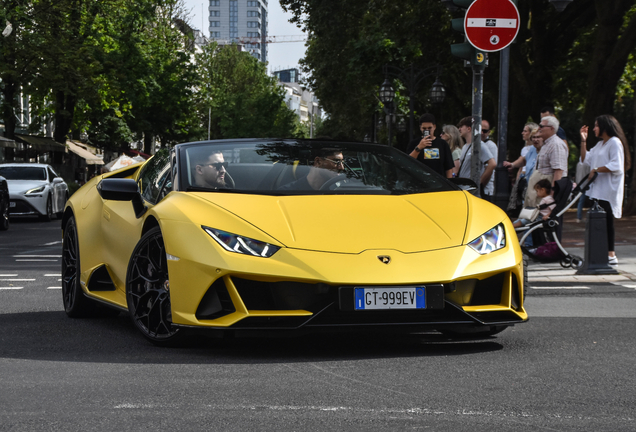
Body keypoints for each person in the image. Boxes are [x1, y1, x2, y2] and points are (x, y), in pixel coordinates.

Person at [580, 115, 632, 266]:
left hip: (608, 191)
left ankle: (611, 254)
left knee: (607, 222)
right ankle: (601, 252)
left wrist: (596, 170)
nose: (594, 128)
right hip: (598, 190)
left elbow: (616, 165)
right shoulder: (600, 145)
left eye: (596, 126)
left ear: (604, 126)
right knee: (598, 223)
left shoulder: (614, 143)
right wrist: (583, 140)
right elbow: (585, 159)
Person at [526, 115, 568, 207]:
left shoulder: (556, 145)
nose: (539, 128)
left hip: (546, 192)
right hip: (541, 190)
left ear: (551, 128)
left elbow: (558, 171)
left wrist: (552, 195)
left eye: (541, 126)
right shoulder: (546, 143)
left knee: (544, 218)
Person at [456, 116, 496, 195]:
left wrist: (479, 183)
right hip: (465, 190)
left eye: (461, 126)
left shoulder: (479, 144)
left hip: (473, 191)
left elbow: (492, 164)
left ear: (469, 128)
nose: (459, 129)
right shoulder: (465, 146)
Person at [406, 113, 454, 178]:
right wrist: (418, 148)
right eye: (424, 128)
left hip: (439, 182)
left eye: (429, 128)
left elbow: (448, 167)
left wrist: (449, 182)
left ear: (434, 127)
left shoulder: (442, 144)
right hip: (420, 182)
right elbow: (408, 163)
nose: (427, 130)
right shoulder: (414, 143)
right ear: (420, 128)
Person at [504, 123, 539, 213]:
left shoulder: (544, 149)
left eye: (537, 137)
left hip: (536, 183)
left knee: (533, 205)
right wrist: (512, 165)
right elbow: (523, 160)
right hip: (526, 180)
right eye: (533, 138)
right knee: (524, 203)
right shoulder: (531, 149)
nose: (535, 140)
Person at [278, 147, 345, 190]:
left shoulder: (340, 191)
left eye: (342, 162)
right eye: (337, 162)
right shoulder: (287, 193)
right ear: (318, 161)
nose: (342, 167)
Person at [480, 119, 498, 199]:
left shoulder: (491, 146)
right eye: (480, 130)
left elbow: (491, 167)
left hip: (485, 188)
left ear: (489, 132)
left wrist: (481, 185)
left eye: (485, 131)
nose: (482, 133)